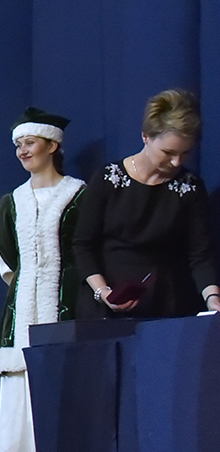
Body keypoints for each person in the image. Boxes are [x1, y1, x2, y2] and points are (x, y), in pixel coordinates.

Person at [0, 108, 85, 452]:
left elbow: (84, 250)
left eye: (29, 143)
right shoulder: (13, 201)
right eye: (18, 145)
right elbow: (9, 260)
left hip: (67, 307)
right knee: (26, 400)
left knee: (65, 398)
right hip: (23, 311)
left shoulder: (78, 195)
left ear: (52, 145)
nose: (22, 151)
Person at [72, 89, 220, 320]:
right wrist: (103, 292)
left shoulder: (190, 187)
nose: (176, 162)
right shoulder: (107, 178)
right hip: (104, 310)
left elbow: (200, 255)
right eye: (168, 152)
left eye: (185, 153)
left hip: (166, 307)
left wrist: (212, 298)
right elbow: (83, 245)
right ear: (145, 137)